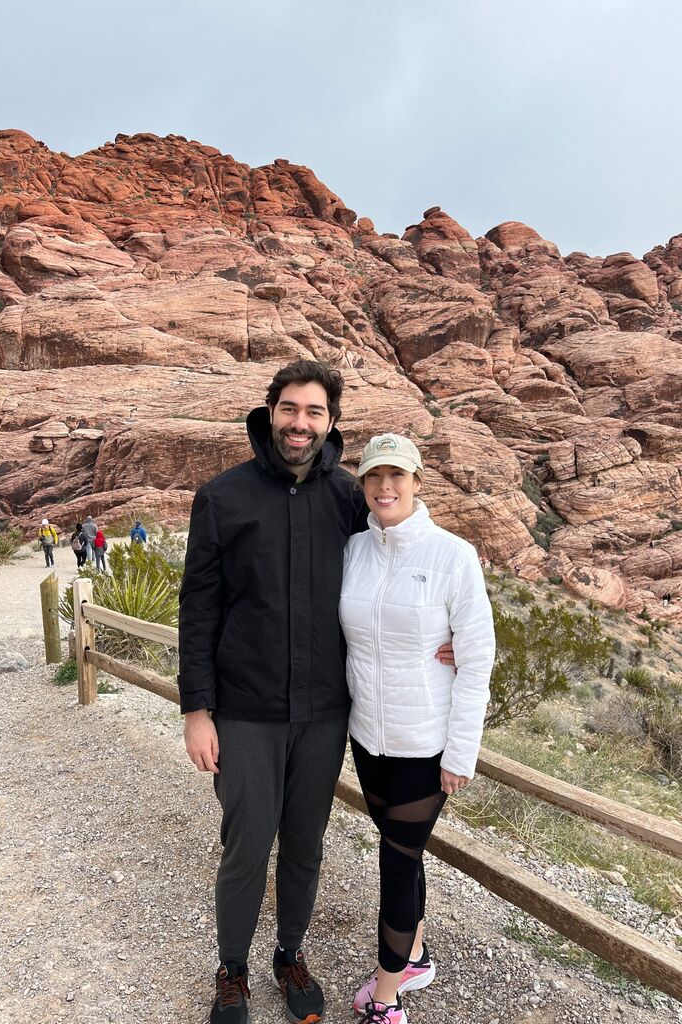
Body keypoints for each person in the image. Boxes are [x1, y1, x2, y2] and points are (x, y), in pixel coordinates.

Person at [178, 361, 453, 1024]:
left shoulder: (347, 499)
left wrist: (449, 635)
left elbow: (412, 554)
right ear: (270, 411)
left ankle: (289, 954)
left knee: (305, 840)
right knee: (247, 842)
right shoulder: (223, 497)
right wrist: (196, 708)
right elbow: (199, 608)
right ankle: (233, 968)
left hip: (327, 714)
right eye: (290, 409)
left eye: (314, 412)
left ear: (332, 422)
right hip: (245, 711)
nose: (301, 424)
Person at [340, 433, 495, 1024]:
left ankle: (386, 998)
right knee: (401, 849)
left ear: (417, 482)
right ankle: (418, 955)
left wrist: (461, 753)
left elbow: (477, 654)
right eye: (375, 476)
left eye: (397, 476)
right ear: (363, 485)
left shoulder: (453, 555)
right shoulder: (354, 550)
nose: (385, 487)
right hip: (368, 736)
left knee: (397, 862)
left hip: (425, 747)